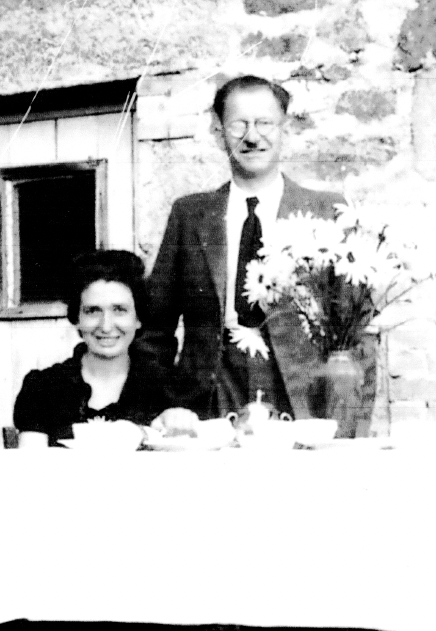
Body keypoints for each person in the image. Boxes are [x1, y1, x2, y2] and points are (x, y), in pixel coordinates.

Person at [140, 75, 344, 419]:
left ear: (285, 130)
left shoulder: (326, 211)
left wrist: (341, 421)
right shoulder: (190, 215)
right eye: (238, 125)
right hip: (210, 393)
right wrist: (170, 405)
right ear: (219, 134)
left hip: (300, 393)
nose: (252, 137)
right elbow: (154, 330)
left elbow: (354, 333)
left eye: (265, 123)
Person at [13, 249, 196, 447]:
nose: (106, 326)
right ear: (77, 319)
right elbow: (30, 471)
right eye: (93, 311)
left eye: (119, 310)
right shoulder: (43, 388)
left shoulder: (170, 389)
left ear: (138, 319)